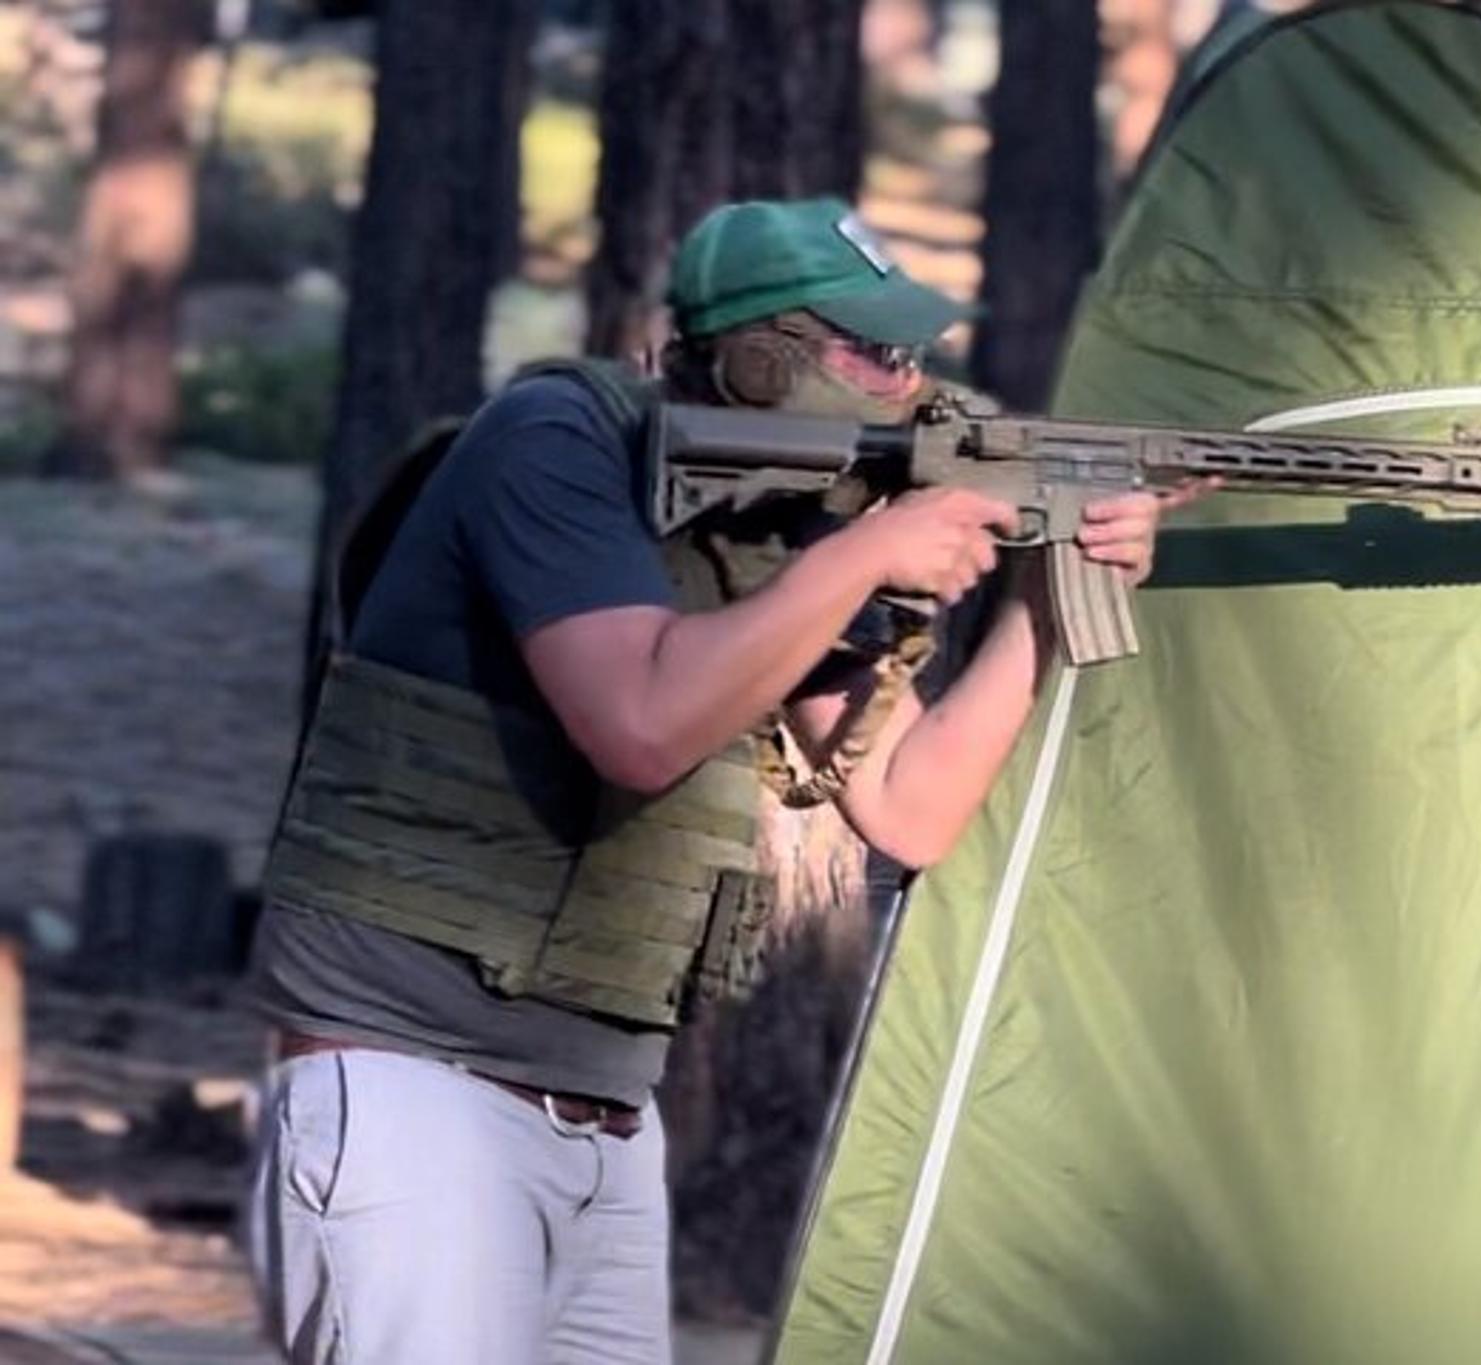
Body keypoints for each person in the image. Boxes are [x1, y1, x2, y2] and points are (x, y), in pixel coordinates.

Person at [241, 197, 1193, 1364]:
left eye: (910, 353)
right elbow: (638, 728)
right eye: (869, 349)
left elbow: (909, 807)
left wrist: (1046, 603)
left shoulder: (779, 522)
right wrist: (863, 559)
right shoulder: (553, 442)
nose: (904, 380)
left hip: (603, 1124)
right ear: (757, 353)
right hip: (413, 1093)